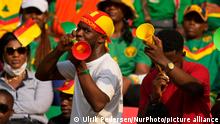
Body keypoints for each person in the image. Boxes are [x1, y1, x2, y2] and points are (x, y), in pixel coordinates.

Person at [35, 10, 123, 124]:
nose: (79, 33)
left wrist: (80, 66)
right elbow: (42, 74)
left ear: (101, 38)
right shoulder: (80, 63)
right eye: (79, 28)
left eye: (86, 30)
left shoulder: (108, 67)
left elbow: (98, 104)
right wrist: (58, 50)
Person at [138, 30, 211, 122]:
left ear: (183, 54)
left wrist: (164, 61)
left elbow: (195, 89)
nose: (165, 68)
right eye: (159, 63)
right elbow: (140, 121)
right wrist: (154, 99)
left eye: (172, 63)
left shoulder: (198, 69)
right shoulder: (150, 79)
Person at [97, 0, 152, 107]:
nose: (111, 8)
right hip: (98, 81)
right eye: (107, 5)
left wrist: (128, 79)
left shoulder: (138, 38)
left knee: (138, 94)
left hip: (127, 87)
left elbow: (142, 72)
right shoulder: (95, 36)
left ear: (125, 12)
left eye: (117, 5)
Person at [0, 32, 53, 124]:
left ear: (26, 54)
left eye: (21, 50)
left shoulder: (41, 78)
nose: (16, 55)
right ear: (2, 55)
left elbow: (41, 106)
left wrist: (6, 108)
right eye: (10, 51)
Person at [182, 4, 220, 106]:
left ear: (205, 26)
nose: (192, 23)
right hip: (182, 96)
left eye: (198, 20)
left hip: (210, 96)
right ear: (182, 23)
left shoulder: (214, 42)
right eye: (188, 19)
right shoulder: (178, 43)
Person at [20, 0, 68, 71]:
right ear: (22, 15)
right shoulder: (11, 42)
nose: (33, 16)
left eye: (38, 12)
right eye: (29, 12)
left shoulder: (55, 46)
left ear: (45, 17)